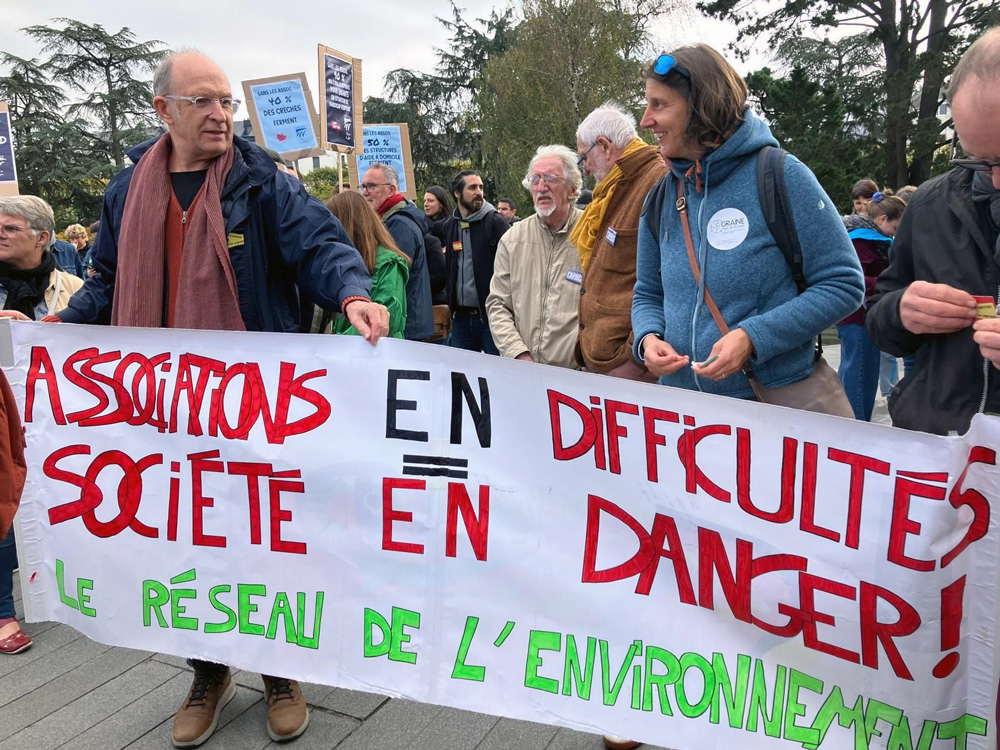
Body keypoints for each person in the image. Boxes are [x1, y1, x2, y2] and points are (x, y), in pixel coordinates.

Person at [51, 50, 388, 748]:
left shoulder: (262, 181)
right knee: (184, 542)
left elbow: (318, 244)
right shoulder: (126, 191)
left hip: (247, 407)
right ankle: (207, 670)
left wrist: (352, 291)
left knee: (260, 537)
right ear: (163, 111)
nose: (219, 115)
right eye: (203, 101)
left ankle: (279, 671)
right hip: (159, 411)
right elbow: (107, 282)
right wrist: (54, 333)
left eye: (226, 102)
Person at [631, 44, 863, 407]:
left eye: (660, 105)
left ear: (701, 108)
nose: (646, 120)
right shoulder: (660, 196)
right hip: (682, 412)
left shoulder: (781, 175)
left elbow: (844, 284)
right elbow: (647, 292)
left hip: (770, 409)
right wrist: (647, 337)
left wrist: (753, 336)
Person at [867, 27, 1000, 435]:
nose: (995, 182)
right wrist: (901, 311)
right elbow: (880, 314)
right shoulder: (930, 203)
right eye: (979, 159)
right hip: (942, 450)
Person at [0, 195, 85, 656]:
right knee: (3, 505)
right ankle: (2, 612)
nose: (0, 234)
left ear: (42, 237)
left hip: (57, 421)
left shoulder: (72, 287)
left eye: (10, 228)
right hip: (1, 417)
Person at [573, 103, 666, 380]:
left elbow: (667, 280)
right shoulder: (615, 186)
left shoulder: (656, 180)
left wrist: (633, 357)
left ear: (604, 146)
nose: (585, 170)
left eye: (584, 158)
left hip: (630, 367)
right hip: (607, 361)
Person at [486, 146, 583, 367]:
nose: (541, 187)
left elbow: (605, 307)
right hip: (524, 372)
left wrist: (591, 358)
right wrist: (517, 353)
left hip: (577, 376)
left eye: (550, 178)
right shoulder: (512, 239)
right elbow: (497, 304)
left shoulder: (592, 234)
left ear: (572, 188)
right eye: (535, 179)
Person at [836, 192, 906, 420]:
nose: (895, 234)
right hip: (857, 318)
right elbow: (855, 280)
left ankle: (856, 425)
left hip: (863, 317)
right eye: (894, 228)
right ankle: (856, 428)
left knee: (862, 376)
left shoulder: (866, 238)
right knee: (858, 379)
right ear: (882, 219)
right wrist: (889, 283)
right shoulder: (862, 240)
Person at [438, 170, 510, 354]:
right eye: (472, 188)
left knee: (496, 375)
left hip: (490, 318)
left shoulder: (495, 222)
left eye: (480, 187)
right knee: (460, 378)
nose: (479, 192)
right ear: (457, 193)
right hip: (460, 319)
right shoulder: (450, 226)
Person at [361, 162, 434, 341]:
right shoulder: (392, 221)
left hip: (405, 327)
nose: (364, 192)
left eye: (371, 186)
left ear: (392, 189)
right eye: (363, 186)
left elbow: (392, 281)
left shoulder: (399, 226)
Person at [327, 190, 409, 339]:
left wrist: (337, 345)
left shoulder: (389, 262)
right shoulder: (342, 262)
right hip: (348, 352)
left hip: (377, 353)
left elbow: (388, 319)